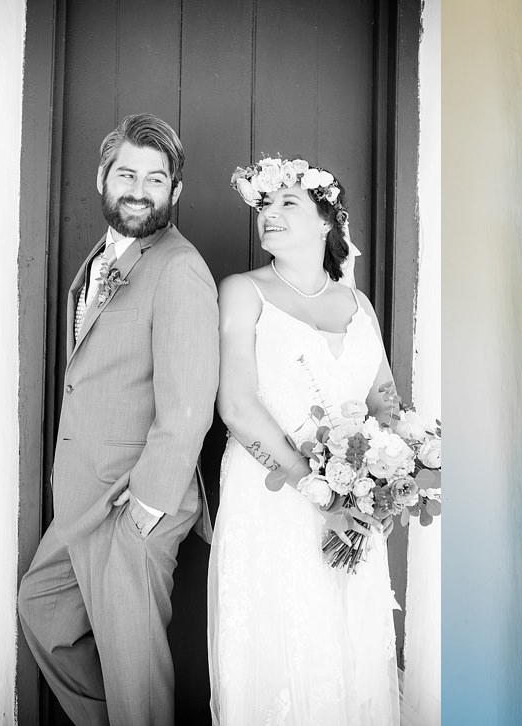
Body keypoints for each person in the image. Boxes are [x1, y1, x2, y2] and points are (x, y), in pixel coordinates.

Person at [17, 113, 220, 725]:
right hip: (87, 496)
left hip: (134, 499)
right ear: (103, 178)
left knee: (135, 668)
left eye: (155, 179)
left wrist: (148, 509)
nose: (139, 189)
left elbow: (188, 401)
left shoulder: (178, 268)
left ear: (175, 192)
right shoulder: (106, 255)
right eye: (127, 173)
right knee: (43, 607)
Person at [208, 156, 400, 724]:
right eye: (265, 204)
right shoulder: (243, 292)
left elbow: (384, 401)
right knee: (281, 637)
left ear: (325, 221)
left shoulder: (357, 304)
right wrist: (322, 491)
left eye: (288, 202)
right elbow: (237, 405)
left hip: (354, 506)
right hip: (272, 499)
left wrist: (376, 491)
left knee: (347, 641)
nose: (270, 213)